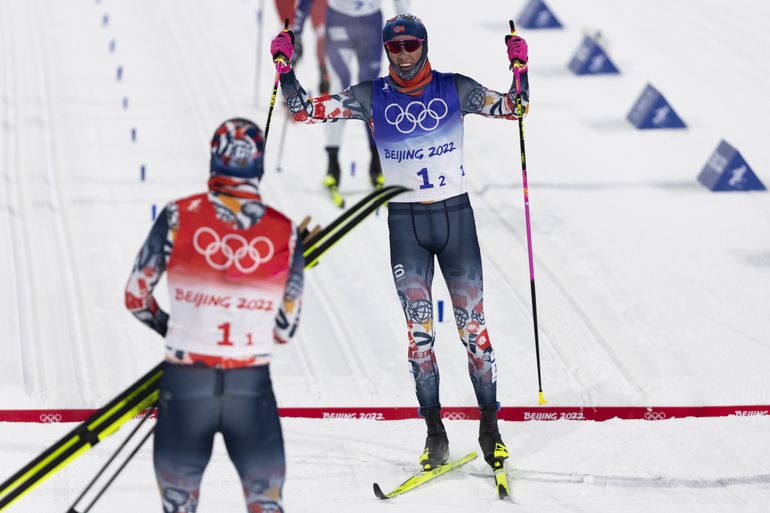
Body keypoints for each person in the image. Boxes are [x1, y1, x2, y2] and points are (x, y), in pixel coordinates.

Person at [270, 15, 530, 471]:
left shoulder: (455, 87)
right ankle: (435, 435)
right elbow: (303, 111)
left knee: (475, 332)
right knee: (420, 336)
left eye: (411, 45)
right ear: (387, 51)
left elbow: (515, 108)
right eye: (396, 48)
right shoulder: (371, 95)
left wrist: (520, 68)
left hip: (456, 220)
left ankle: (491, 429)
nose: (404, 54)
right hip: (406, 225)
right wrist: (286, 68)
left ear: (425, 46)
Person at [124, 118, 303, 513]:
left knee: (179, 504)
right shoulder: (286, 232)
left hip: (186, 382)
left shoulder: (176, 215)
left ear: (214, 161)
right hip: (250, 384)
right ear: (257, 165)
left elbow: (136, 296)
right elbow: (286, 329)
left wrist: (179, 328)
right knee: (265, 503)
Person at [290, 0, 411, 207]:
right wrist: (296, 33)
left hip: (371, 24)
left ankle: (376, 164)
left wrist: (407, 28)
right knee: (339, 90)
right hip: (340, 21)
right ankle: (332, 165)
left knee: (370, 91)